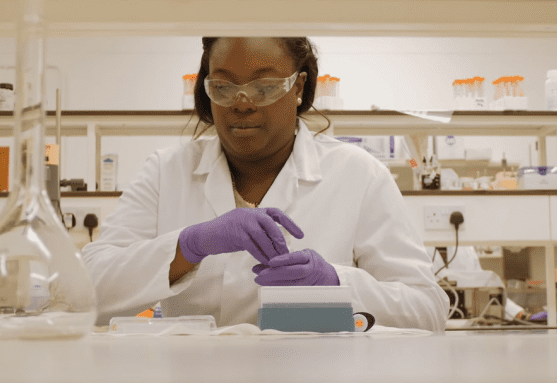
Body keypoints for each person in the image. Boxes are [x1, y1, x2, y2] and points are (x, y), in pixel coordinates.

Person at [81, 37, 448, 332]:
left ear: (299, 86)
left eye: (265, 87)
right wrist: (188, 246)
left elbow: (428, 310)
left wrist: (335, 282)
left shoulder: (358, 174)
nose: (242, 104)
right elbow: (85, 296)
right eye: (223, 87)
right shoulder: (166, 171)